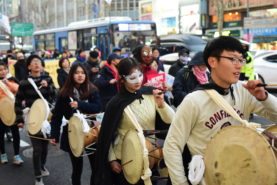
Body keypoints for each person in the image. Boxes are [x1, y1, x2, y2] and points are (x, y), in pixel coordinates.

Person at [163, 36, 277, 185]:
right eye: (232, 59)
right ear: (213, 62)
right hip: (210, 179)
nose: (239, 66)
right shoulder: (194, 101)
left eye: (241, 60)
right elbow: (172, 146)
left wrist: (264, 97)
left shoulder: (244, 91)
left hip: (242, 174)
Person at [93, 57, 175, 185]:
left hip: (150, 156)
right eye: (132, 78)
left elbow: (171, 121)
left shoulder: (150, 94)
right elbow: (107, 134)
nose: (138, 81)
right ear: (122, 79)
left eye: (140, 75)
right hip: (126, 157)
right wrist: (112, 159)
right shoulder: (115, 103)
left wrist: (162, 104)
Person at [50, 63, 101, 185]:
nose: (80, 75)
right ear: (71, 74)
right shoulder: (64, 93)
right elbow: (57, 116)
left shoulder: (92, 89)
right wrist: (54, 135)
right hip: (73, 132)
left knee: (95, 166)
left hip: (91, 131)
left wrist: (80, 104)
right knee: (77, 168)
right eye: (77, 73)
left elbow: (98, 108)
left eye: (82, 73)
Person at [15, 54, 57, 185]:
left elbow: (55, 97)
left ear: (42, 65)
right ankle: (38, 176)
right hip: (32, 119)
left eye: (38, 62)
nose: (36, 64)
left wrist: (48, 87)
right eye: (33, 62)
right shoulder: (24, 82)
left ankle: (42, 165)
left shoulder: (48, 79)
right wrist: (19, 119)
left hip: (46, 119)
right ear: (29, 66)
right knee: (37, 148)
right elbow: (17, 102)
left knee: (45, 147)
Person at [0, 61, 24, 165]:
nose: (3, 71)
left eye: (4, 69)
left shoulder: (12, 79)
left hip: (13, 111)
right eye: (0, 70)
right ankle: (3, 154)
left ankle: (16, 155)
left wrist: (7, 83)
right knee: (0, 133)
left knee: (15, 132)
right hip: (1, 112)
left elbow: (19, 90)